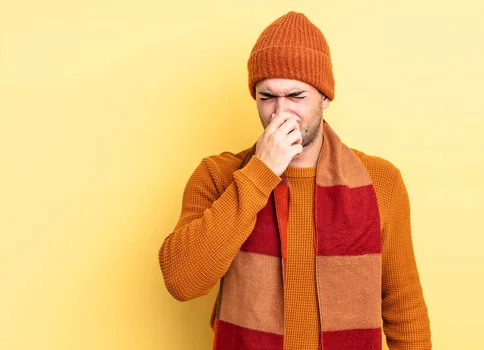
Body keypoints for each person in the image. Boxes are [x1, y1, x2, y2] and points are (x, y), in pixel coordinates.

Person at [159, 11, 431, 350]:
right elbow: (183, 282)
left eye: (296, 96)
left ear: (325, 97)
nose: (280, 112)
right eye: (267, 96)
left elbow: (404, 307)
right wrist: (261, 172)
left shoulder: (380, 181)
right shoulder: (218, 176)